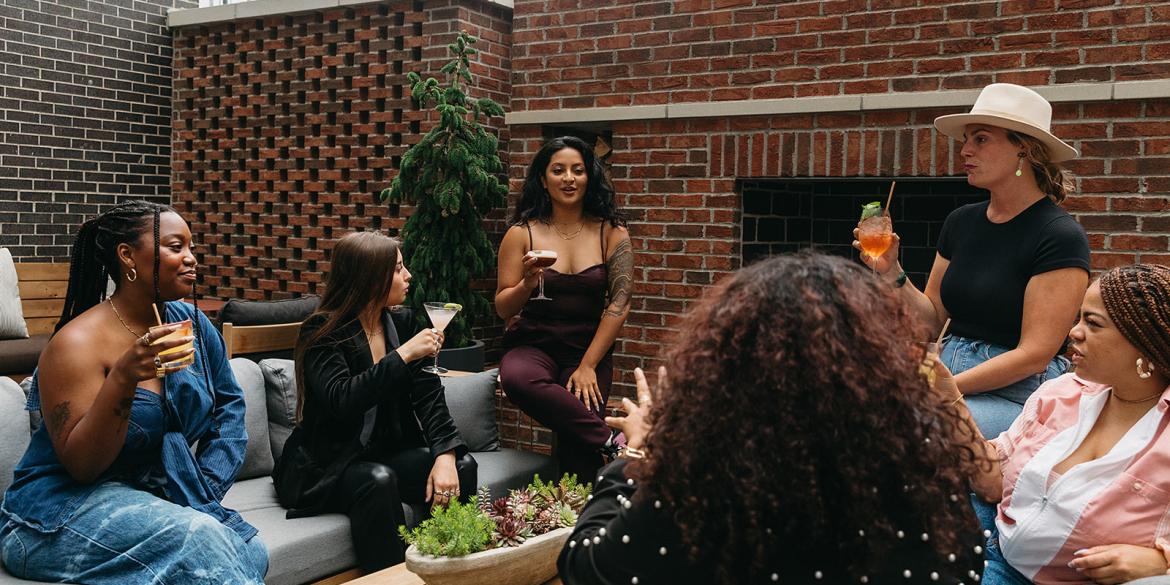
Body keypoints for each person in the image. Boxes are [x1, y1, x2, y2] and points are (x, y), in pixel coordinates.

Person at [560, 253, 986, 585]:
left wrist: (639, 455)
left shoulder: (696, 488)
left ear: (727, 368)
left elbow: (588, 567)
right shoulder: (921, 482)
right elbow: (967, 566)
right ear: (876, 370)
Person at [0, 201, 268, 583]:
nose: (192, 258)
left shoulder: (192, 325)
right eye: (176, 247)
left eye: (192, 247)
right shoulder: (75, 344)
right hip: (54, 514)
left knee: (247, 549)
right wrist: (123, 378)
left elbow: (229, 409)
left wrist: (199, 489)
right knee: (201, 538)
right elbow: (83, 466)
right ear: (127, 255)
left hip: (149, 498)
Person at [856, 83, 1091, 438]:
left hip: (1017, 392)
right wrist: (893, 272)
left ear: (1023, 150)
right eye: (966, 139)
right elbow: (934, 321)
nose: (965, 150)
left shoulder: (1058, 235)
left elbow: (1034, 355)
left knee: (915, 430)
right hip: (948, 369)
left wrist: (942, 389)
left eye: (980, 139)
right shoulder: (961, 221)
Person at [931, 264, 1170, 585]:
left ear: (1143, 341)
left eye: (1093, 323)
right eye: (1079, 318)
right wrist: (950, 399)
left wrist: (1161, 560)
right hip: (993, 544)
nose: (1074, 332)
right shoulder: (1061, 392)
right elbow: (991, 484)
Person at [271, 231, 475, 572]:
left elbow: (430, 399)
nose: (408, 275)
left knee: (462, 467)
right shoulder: (323, 332)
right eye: (397, 269)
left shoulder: (404, 322)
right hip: (327, 464)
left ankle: (449, 569)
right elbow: (343, 400)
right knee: (378, 480)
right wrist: (403, 355)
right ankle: (392, 578)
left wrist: (445, 454)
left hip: (385, 451)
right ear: (369, 278)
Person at [496, 135, 633, 480]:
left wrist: (588, 365)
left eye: (578, 170)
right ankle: (614, 443)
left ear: (590, 178)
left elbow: (620, 303)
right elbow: (502, 307)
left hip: (586, 348)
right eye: (558, 170)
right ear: (543, 179)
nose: (569, 178)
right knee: (516, 378)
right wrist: (527, 283)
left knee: (578, 450)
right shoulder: (521, 233)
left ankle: (576, 525)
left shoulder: (611, 233)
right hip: (533, 343)